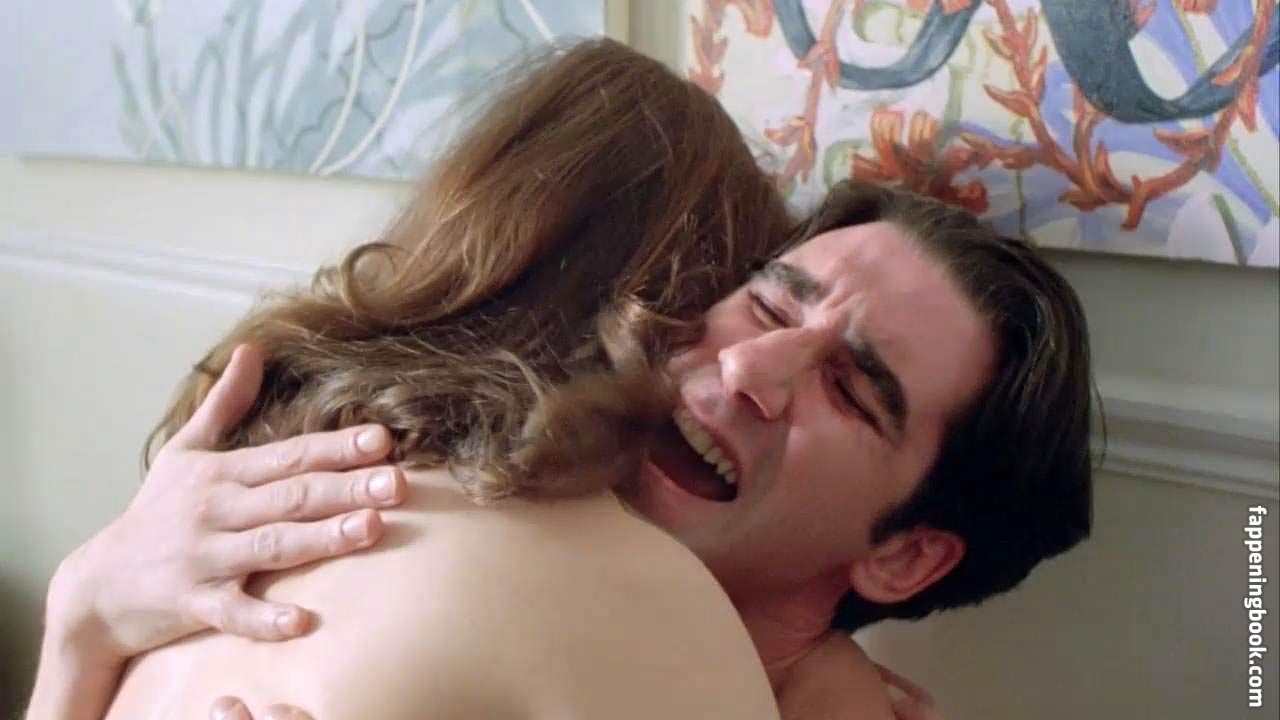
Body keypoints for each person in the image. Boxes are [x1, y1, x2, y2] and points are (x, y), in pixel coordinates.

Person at [30, 47, 1096, 720]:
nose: (746, 369)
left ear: (904, 555)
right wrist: (81, 619)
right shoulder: (288, 521)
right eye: (768, 305)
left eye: (852, 391)